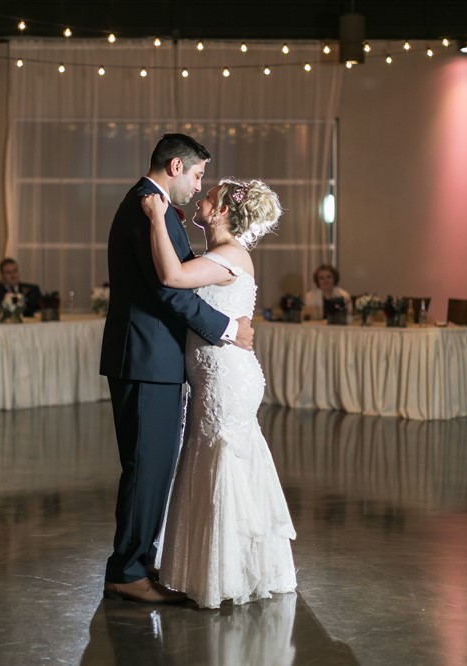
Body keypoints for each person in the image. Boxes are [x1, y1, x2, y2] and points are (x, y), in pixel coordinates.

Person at [98, 133, 255, 605]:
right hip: (146, 357)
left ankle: (139, 559)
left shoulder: (153, 207)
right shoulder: (151, 208)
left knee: (152, 466)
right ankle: (127, 570)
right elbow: (171, 290)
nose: (198, 184)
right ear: (174, 167)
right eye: (198, 174)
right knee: (147, 467)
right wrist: (227, 327)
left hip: (153, 358)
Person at [141, 176, 296, 609]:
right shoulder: (217, 255)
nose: (201, 197)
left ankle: (224, 575)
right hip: (217, 376)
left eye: (208, 196)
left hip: (227, 379)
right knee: (212, 460)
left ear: (223, 210)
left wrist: (156, 217)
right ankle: (216, 567)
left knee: (222, 462)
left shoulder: (229, 256)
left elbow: (171, 276)